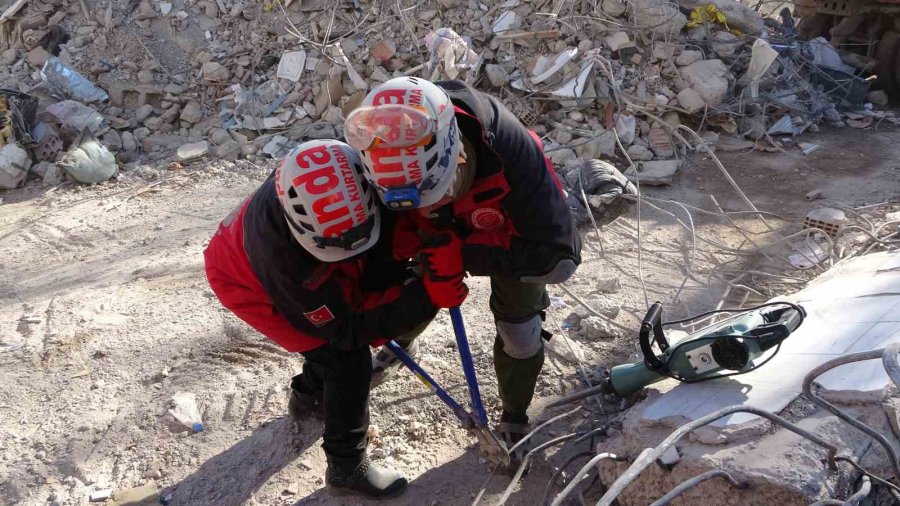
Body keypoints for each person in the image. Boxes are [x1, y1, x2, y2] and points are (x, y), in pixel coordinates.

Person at [344, 77, 599, 467]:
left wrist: (462, 255)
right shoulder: (384, 146)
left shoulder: (516, 155)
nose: (429, 205)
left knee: (520, 335)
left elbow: (558, 259)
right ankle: (400, 343)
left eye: (436, 190)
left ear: (459, 154)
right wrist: (417, 264)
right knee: (408, 293)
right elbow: (382, 249)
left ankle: (515, 414)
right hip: (439, 239)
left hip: (511, 236)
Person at [203, 140, 437, 498]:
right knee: (343, 359)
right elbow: (344, 331)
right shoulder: (284, 263)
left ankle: (308, 397)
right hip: (245, 280)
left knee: (343, 330)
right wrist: (423, 298)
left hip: (280, 251)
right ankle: (346, 467)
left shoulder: (342, 170)